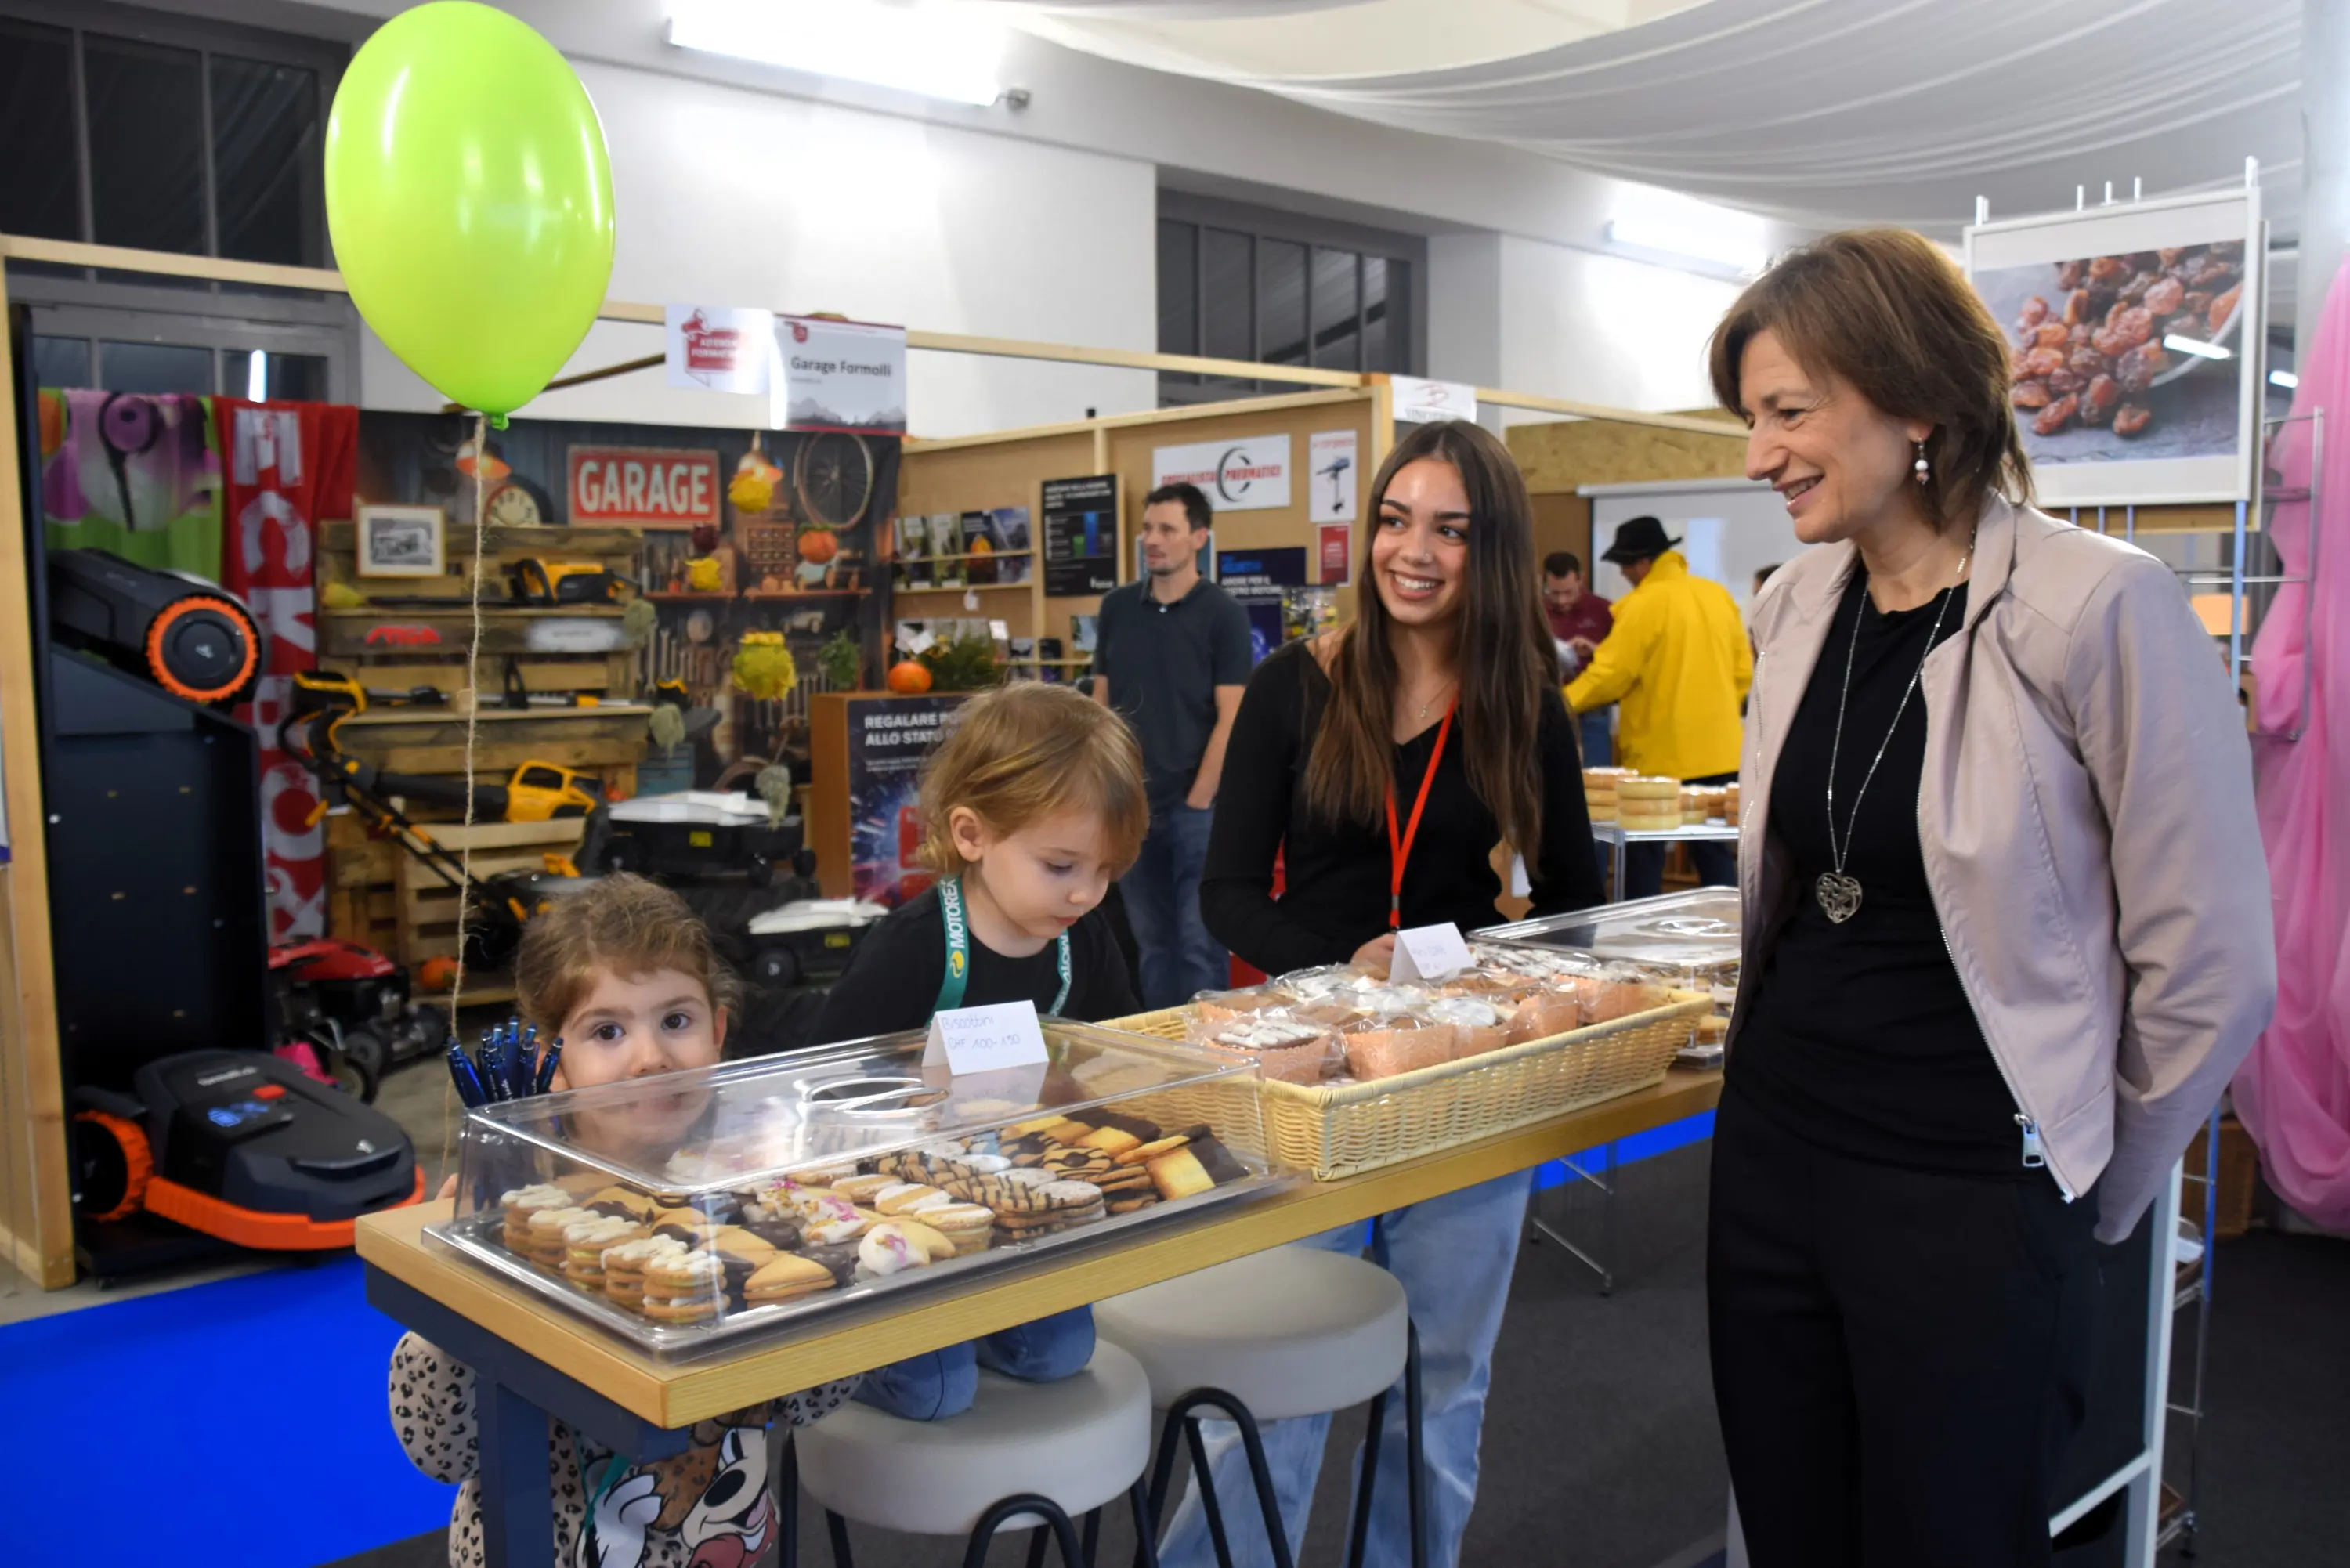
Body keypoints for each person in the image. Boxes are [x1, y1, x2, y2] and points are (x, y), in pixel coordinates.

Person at [1709, 229, 2274, 1567]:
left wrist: (2088, 1177)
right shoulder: (1792, 607)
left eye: (1788, 412)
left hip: (1968, 1193)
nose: (1756, 455)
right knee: (1790, 1528)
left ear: (1915, 401)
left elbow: (2214, 961)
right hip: (1776, 1156)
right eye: (1749, 417)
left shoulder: (2100, 608)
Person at [1186, 419, 1606, 1568]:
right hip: (1312, 1080)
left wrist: (1500, 971)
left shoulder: (1524, 700)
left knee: (1442, 1388)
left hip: (1464, 1084)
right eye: (1394, 518)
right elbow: (1225, 893)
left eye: (1451, 529)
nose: (1411, 549)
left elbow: (1579, 902)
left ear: (1497, 548)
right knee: (1275, 1382)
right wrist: (1336, 966)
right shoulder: (1292, 686)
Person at [390, 875, 861, 1568]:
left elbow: (813, 1399)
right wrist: (470, 1280)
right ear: (552, 1061)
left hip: (724, 1543)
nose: (651, 1058)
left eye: (676, 1020)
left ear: (719, 1031)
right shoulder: (517, 1203)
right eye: (607, 1031)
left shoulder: (751, 1195)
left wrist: (837, 1259)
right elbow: (440, 1444)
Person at [812, 680, 1148, 1418]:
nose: (1086, 894)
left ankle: (981, 1324)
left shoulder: (1082, 938)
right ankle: (853, 1352)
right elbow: (823, 1083)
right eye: (1062, 867)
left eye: (1106, 872)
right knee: (936, 1392)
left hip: (1019, 1208)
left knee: (1062, 1352)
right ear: (972, 834)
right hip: (902, 1215)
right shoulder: (912, 946)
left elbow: (1122, 1046)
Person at [1094, 481, 1253, 1007]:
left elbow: (1233, 717)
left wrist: (1200, 798)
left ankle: (1215, 1065)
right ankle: (1165, 1069)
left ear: (1199, 537)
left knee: (1200, 947)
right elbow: (1099, 708)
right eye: (1147, 528)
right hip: (1131, 807)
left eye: (1167, 529)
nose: (1152, 540)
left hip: (1196, 812)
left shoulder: (1222, 613)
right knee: (1152, 948)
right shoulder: (1117, 608)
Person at [1565, 514, 1751, 897]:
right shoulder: (1717, 596)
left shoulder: (1642, 605)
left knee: (1643, 858)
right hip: (1720, 753)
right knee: (1715, 854)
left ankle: (1638, 948)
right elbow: (1743, 672)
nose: (1625, 576)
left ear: (1643, 563)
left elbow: (1610, 676)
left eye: (1625, 568)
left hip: (1660, 760)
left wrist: (1559, 704)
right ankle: (1734, 940)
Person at [1541, 548, 1614, 763]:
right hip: (1552, 701)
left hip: (1594, 705)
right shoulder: (1535, 611)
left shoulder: (1603, 609)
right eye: (1554, 593)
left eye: (1569, 592)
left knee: (1597, 771)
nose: (1562, 601)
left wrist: (1595, 649)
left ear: (1581, 579)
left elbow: (1623, 657)